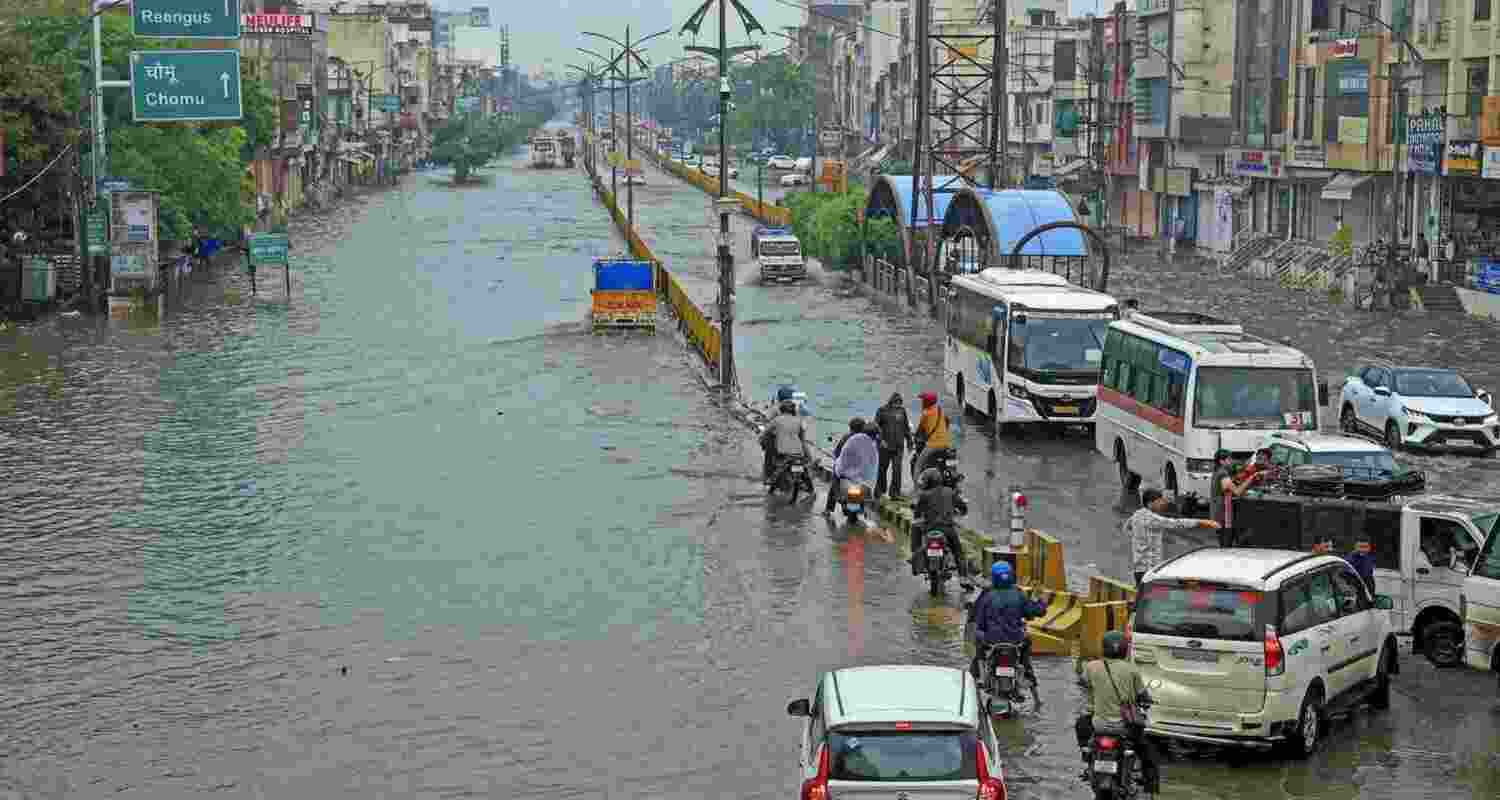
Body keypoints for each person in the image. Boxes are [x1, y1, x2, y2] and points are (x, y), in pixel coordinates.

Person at [1076, 631, 1161, 796]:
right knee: (1148, 752)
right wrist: (1145, 700)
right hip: (1124, 727)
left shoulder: (1091, 666)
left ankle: (1087, 757)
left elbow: (1082, 682)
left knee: (1080, 725)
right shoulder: (1132, 670)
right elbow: (1143, 695)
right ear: (1124, 649)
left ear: (1104, 648)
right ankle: (1151, 787)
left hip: (1098, 725)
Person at [1124, 488, 1219, 589]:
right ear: (1150, 503)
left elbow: (1126, 528)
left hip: (1138, 568)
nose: (1162, 505)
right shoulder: (1151, 518)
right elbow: (1176, 523)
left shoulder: (1137, 514)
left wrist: (1139, 541)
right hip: (1149, 569)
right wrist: (1203, 522)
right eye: (1159, 502)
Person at [971, 561, 1045, 683]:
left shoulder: (987, 596)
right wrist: (1039, 599)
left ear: (993, 577)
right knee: (1027, 642)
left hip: (991, 640)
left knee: (978, 642)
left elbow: (980, 622)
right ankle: (1027, 672)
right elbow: (1038, 611)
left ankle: (976, 675)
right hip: (1015, 639)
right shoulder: (1019, 594)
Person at [912, 467, 971, 581]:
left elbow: (917, 513)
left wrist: (918, 516)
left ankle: (915, 557)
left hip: (930, 529)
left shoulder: (924, 495)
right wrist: (962, 511)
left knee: (915, 528)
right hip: (948, 530)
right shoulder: (950, 491)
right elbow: (962, 507)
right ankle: (964, 578)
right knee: (958, 552)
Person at [827, 419, 878, 515]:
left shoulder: (847, 438)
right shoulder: (869, 442)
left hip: (847, 472)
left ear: (851, 428)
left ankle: (829, 508)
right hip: (859, 475)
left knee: (834, 482)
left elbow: (838, 454)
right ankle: (860, 507)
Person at [874, 392, 912, 499]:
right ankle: (880, 490)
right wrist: (880, 440)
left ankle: (894, 493)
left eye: (900, 404)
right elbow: (876, 427)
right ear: (891, 402)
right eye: (897, 404)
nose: (898, 406)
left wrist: (909, 441)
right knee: (882, 469)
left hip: (899, 446)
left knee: (897, 470)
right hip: (885, 446)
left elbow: (906, 427)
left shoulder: (902, 411)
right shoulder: (882, 411)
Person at [760, 399, 809, 484]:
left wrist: (762, 442)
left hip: (783, 454)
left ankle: (771, 479)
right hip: (798, 453)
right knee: (804, 472)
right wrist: (808, 457)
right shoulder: (799, 421)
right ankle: (810, 490)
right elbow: (803, 440)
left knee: (775, 463)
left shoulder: (776, 420)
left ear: (781, 409)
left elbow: (765, 434)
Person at [912, 391, 955, 481]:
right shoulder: (940, 410)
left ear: (927, 402)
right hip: (945, 444)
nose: (922, 402)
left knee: (918, 465)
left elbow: (920, 430)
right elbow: (947, 421)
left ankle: (917, 488)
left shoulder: (926, 414)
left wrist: (915, 435)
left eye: (923, 401)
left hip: (933, 445)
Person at [1210, 449, 1257, 527]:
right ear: (1221, 461)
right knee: (1225, 534)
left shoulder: (1217, 471)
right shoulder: (1223, 473)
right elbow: (1237, 492)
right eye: (1229, 459)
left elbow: (1226, 487)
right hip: (1222, 511)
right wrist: (1252, 477)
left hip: (1217, 510)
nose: (1231, 461)